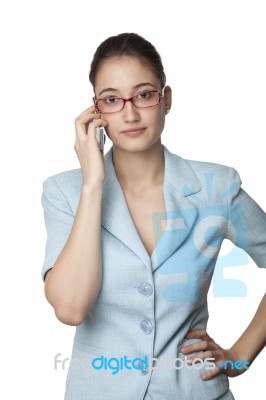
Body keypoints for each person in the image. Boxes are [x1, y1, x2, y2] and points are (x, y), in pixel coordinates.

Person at [41, 32, 266, 400]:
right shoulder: (64, 193)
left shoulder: (214, 188)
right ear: (96, 112)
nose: (129, 113)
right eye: (111, 100)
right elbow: (70, 308)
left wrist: (240, 356)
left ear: (166, 100)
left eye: (144, 94)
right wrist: (93, 183)